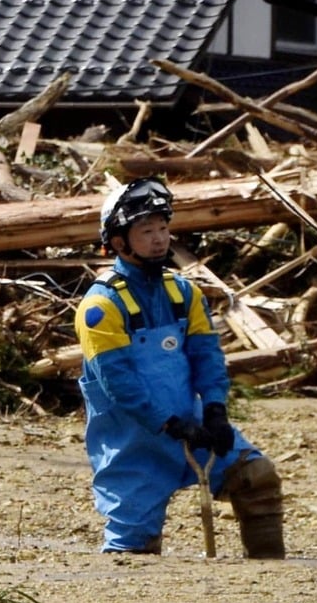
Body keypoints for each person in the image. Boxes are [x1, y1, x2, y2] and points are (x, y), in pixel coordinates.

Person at [74, 177, 284, 557]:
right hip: (133, 444)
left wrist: (216, 410)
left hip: (195, 426)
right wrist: (169, 425)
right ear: (119, 242)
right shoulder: (99, 307)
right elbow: (119, 384)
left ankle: (272, 578)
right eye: (147, 231)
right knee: (131, 548)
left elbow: (207, 356)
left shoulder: (185, 292)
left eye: (164, 228)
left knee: (257, 476)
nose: (159, 239)